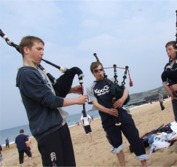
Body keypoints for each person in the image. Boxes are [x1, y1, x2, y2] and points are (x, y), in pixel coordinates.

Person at [16, 36, 88, 167]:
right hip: (48, 132)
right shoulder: (26, 74)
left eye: (43, 49)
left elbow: (51, 93)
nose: (42, 52)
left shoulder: (37, 72)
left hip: (60, 125)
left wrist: (71, 90)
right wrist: (77, 100)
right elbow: (49, 100)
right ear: (26, 49)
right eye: (38, 49)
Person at [86, 61, 149, 167]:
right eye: (96, 71)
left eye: (101, 70)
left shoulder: (110, 81)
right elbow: (95, 104)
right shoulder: (90, 88)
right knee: (117, 145)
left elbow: (125, 90)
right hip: (108, 120)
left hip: (122, 114)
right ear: (93, 73)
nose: (99, 72)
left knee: (135, 139)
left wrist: (122, 100)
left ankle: (144, 164)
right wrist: (108, 111)